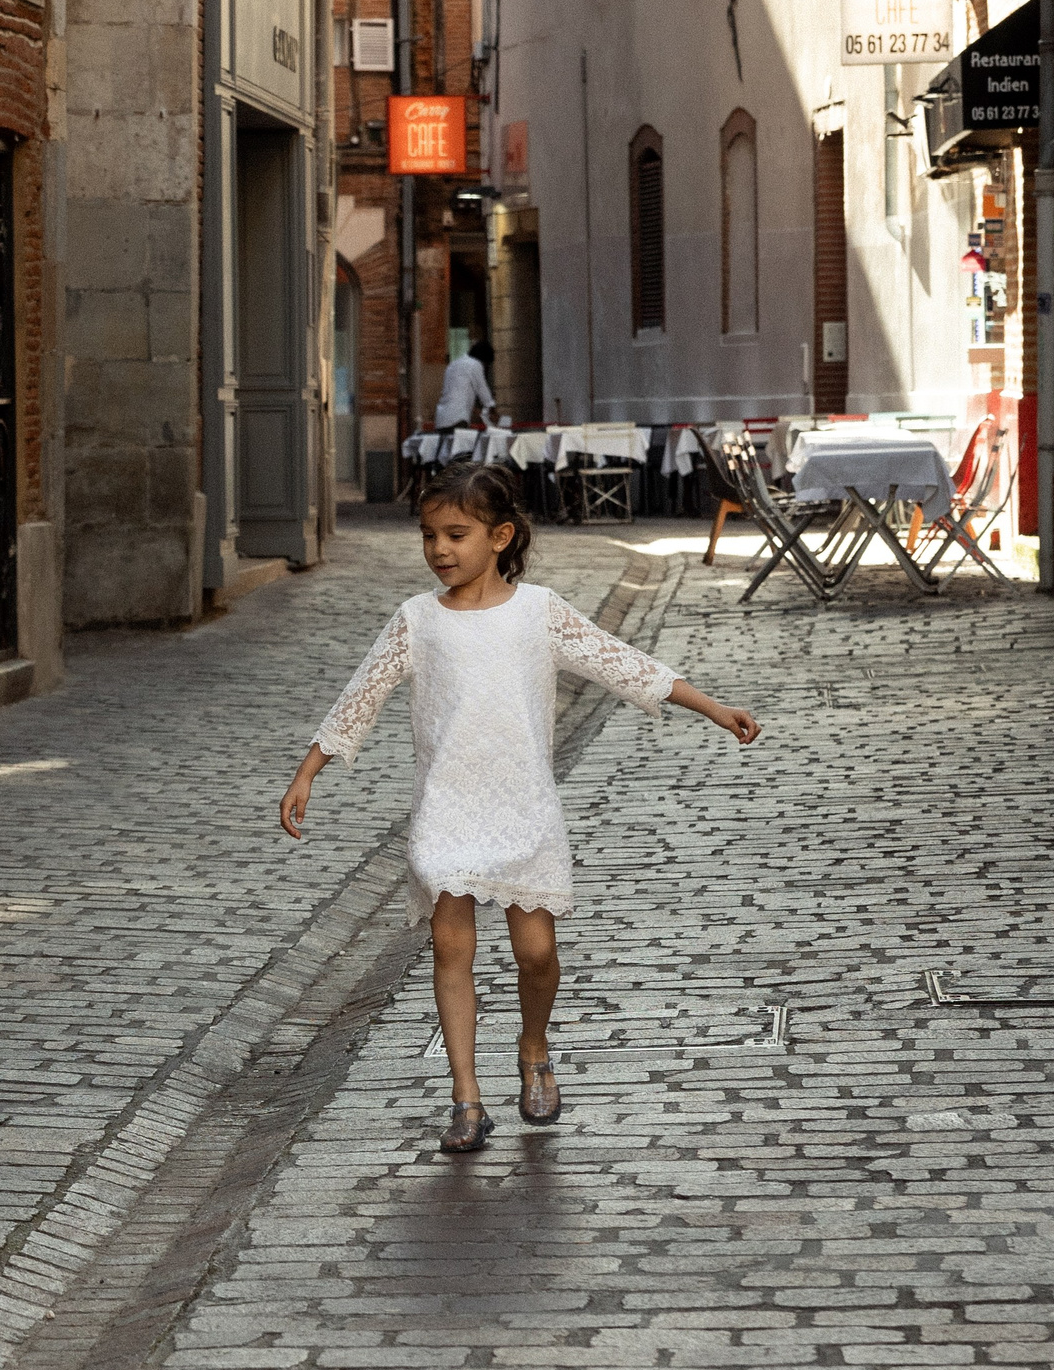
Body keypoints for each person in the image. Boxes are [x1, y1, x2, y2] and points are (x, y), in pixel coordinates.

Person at [275, 464, 760, 1153]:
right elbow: (361, 695)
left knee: (537, 953)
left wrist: (712, 707)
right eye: (429, 535)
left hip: (523, 808)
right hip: (445, 810)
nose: (440, 549)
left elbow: (622, 663)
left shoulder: (540, 612)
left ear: (500, 535)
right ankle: (466, 1097)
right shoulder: (416, 621)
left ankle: (533, 1046)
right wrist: (308, 772)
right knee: (450, 948)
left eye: (456, 533)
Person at [434, 339, 497, 431]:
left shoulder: (453, 364)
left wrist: (477, 411)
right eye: (486, 364)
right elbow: (483, 391)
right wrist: (493, 411)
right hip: (457, 419)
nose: (485, 368)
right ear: (484, 360)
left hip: (441, 419)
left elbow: (455, 395)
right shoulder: (475, 365)